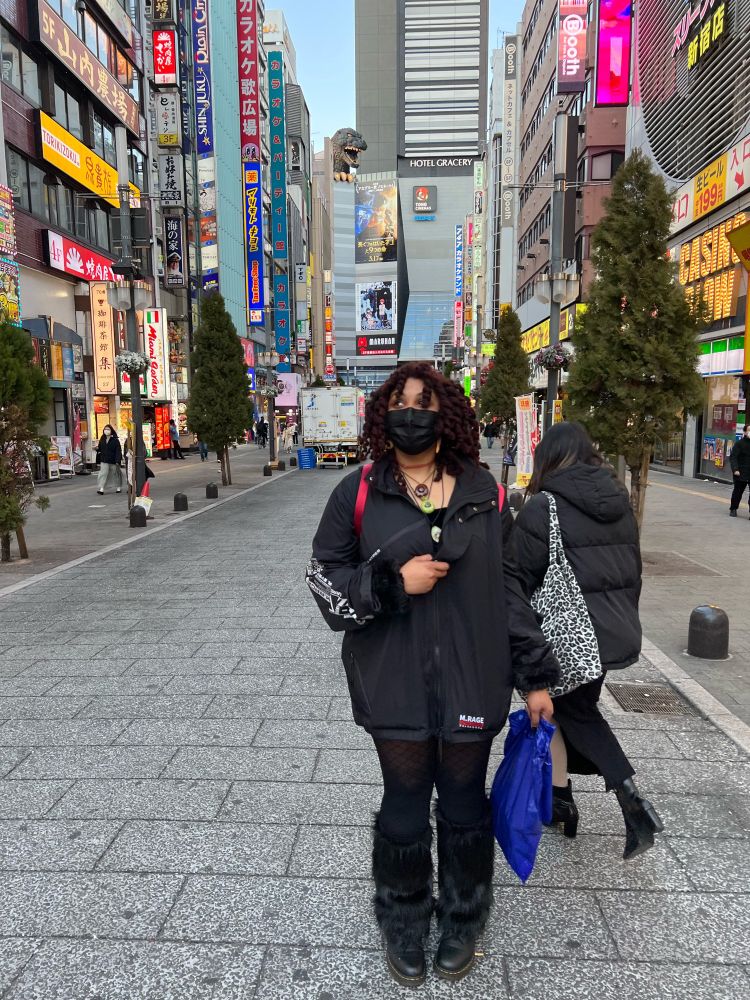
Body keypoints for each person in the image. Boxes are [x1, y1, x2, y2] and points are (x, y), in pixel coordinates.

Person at [306, 362, 559, 987]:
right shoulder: (359, 492)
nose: (409, 413)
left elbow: (511, 594)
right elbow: (324, 579)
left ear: (444, 414)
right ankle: (402, 918)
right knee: (405, 797)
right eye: (398, 402)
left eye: (422, 402)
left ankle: (464, 915)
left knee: (466, 799)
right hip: (391, 678)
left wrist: (535, 679)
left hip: (476, 678)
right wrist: (393, 584)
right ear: (381, 415)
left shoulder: (486, 493)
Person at [512, 422, 664, 860]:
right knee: (563, 714)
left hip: (567, 640)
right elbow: (631, 569)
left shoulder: (544, 506)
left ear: (548, 459)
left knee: (574, 715)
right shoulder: (620, 502)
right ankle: (560, 801)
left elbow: (518, 575)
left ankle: (632, 799)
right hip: (611, 634)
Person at [729, 424, 750, 517]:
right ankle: (733, 508)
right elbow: (733, 457)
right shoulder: (739, 444)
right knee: (738, 492)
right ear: (745, 432)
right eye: (749, 430)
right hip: (740, 472)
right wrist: (735, 469)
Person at [95, 425, 122, 495]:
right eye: (105, 429)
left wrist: (118, 460)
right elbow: (100, 448)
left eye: (108, 429)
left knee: (115, 473)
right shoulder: (102, 439)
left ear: (111, 431)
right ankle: (102, 488)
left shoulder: (115, 440)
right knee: (103, 474)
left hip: (113, 460)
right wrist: (97, 449)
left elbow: (118, 451)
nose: (106, 431)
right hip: (104, 459)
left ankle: (118, 487)